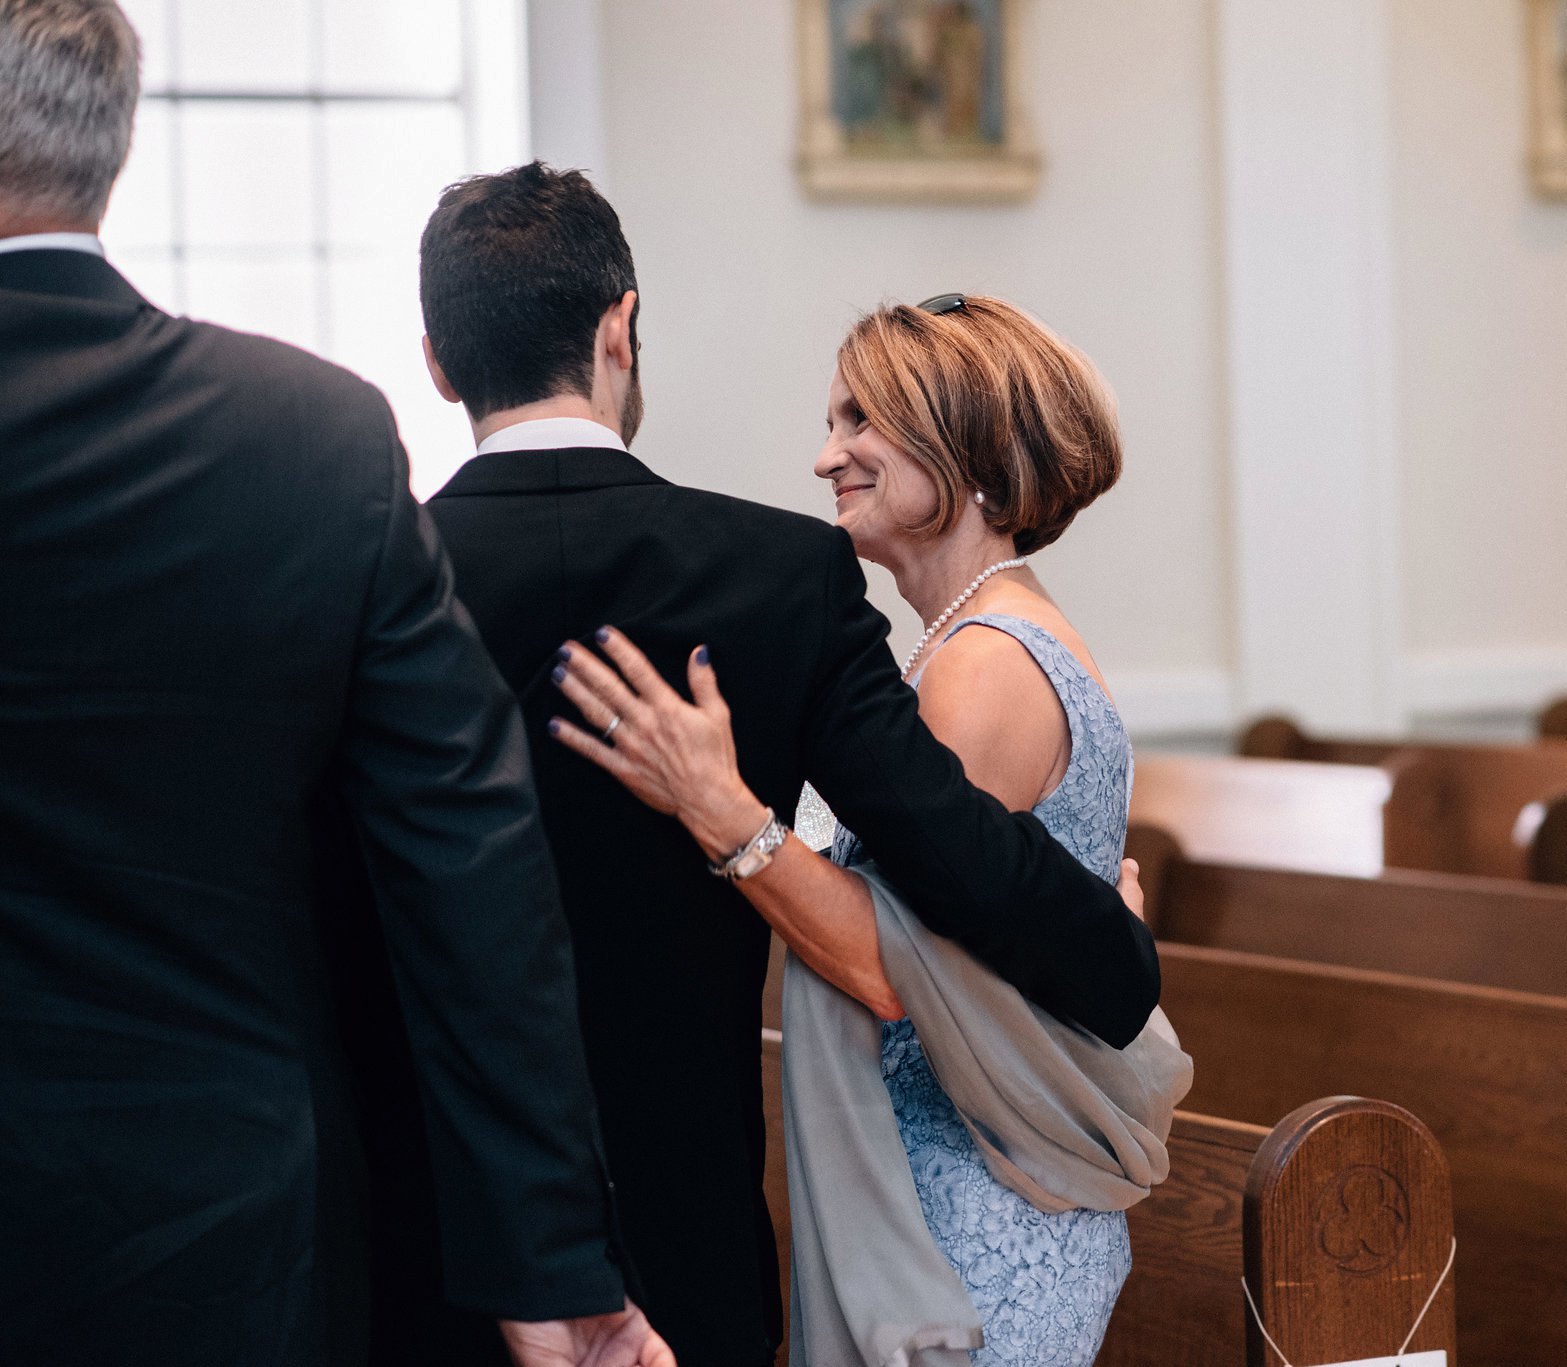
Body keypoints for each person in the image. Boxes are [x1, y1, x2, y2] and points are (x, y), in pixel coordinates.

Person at [0, 5, 665, 1365]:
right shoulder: (305, 440)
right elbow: (471, 865)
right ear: (112, 147)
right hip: (215, 1220)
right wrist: (550, 1261)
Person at [408, 168, 1161, 1365]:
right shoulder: (776, 577)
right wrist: (1102, 938)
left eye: (857, 423)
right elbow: (958, 854)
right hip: (691, 1228)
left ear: (441, 361)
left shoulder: (371, 576)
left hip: (434, 1239)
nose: (826, 457)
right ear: (621, 327)